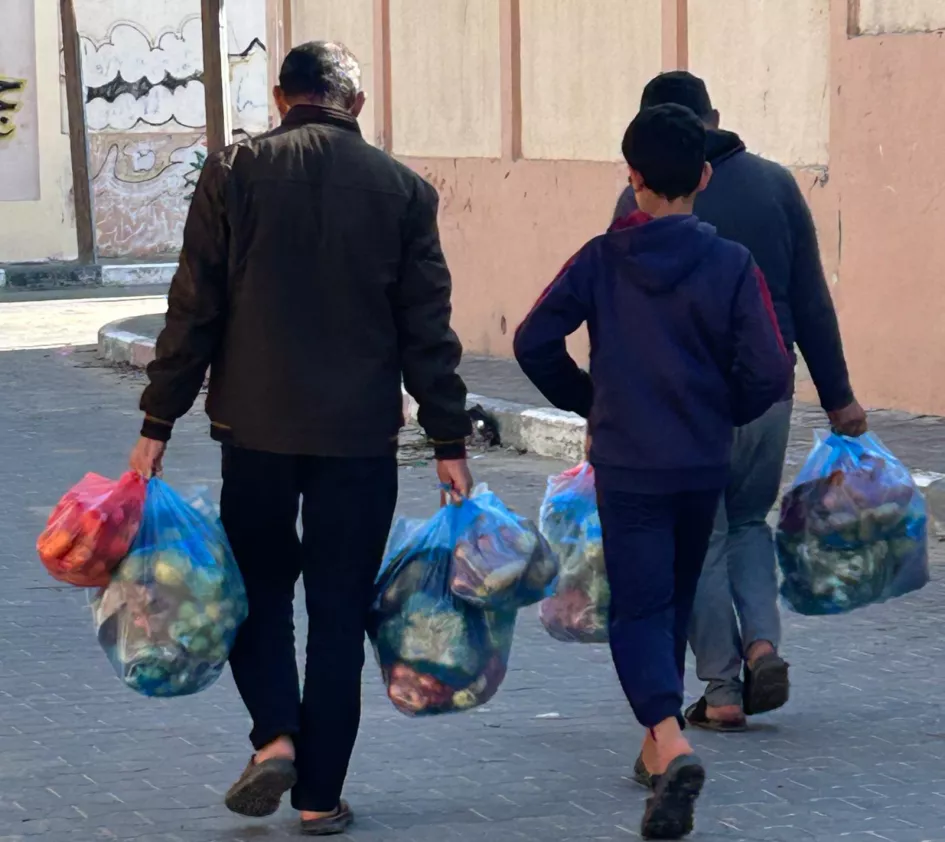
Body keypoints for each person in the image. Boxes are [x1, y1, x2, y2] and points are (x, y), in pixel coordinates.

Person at [128, 41, 473, 836]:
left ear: (282, 97)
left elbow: (193, 309)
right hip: (358, 439)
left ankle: (275, 734)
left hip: (253, 429)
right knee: (338, 607)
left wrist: (158, 420)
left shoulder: (232, 171)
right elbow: (427, 332)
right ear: (353, 104)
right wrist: (449, 441)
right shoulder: (403, 190)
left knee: (260, 592)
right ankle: (319, 795)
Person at [514, 104, 789, 839]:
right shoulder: (731, 264)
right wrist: (721, 408)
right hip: (700, 459)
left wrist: (591, 400)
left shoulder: (601, 258)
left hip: (629, 461)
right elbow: (768, 366)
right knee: (668, 595)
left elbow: (533, 338)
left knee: (639, 605)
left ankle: (668, 741)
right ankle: (654, 743)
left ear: (631, 176)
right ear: (702, 176)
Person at [614, 71, 867, 732]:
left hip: (681, 404)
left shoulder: (634, 199)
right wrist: (838, 398)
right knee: (747, 519)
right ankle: (762, 643)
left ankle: (722, 689)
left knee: (699, 539)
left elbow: (621, 317)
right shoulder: (776, 185)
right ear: (714, 117)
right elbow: (810, 300)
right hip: (766, 392)